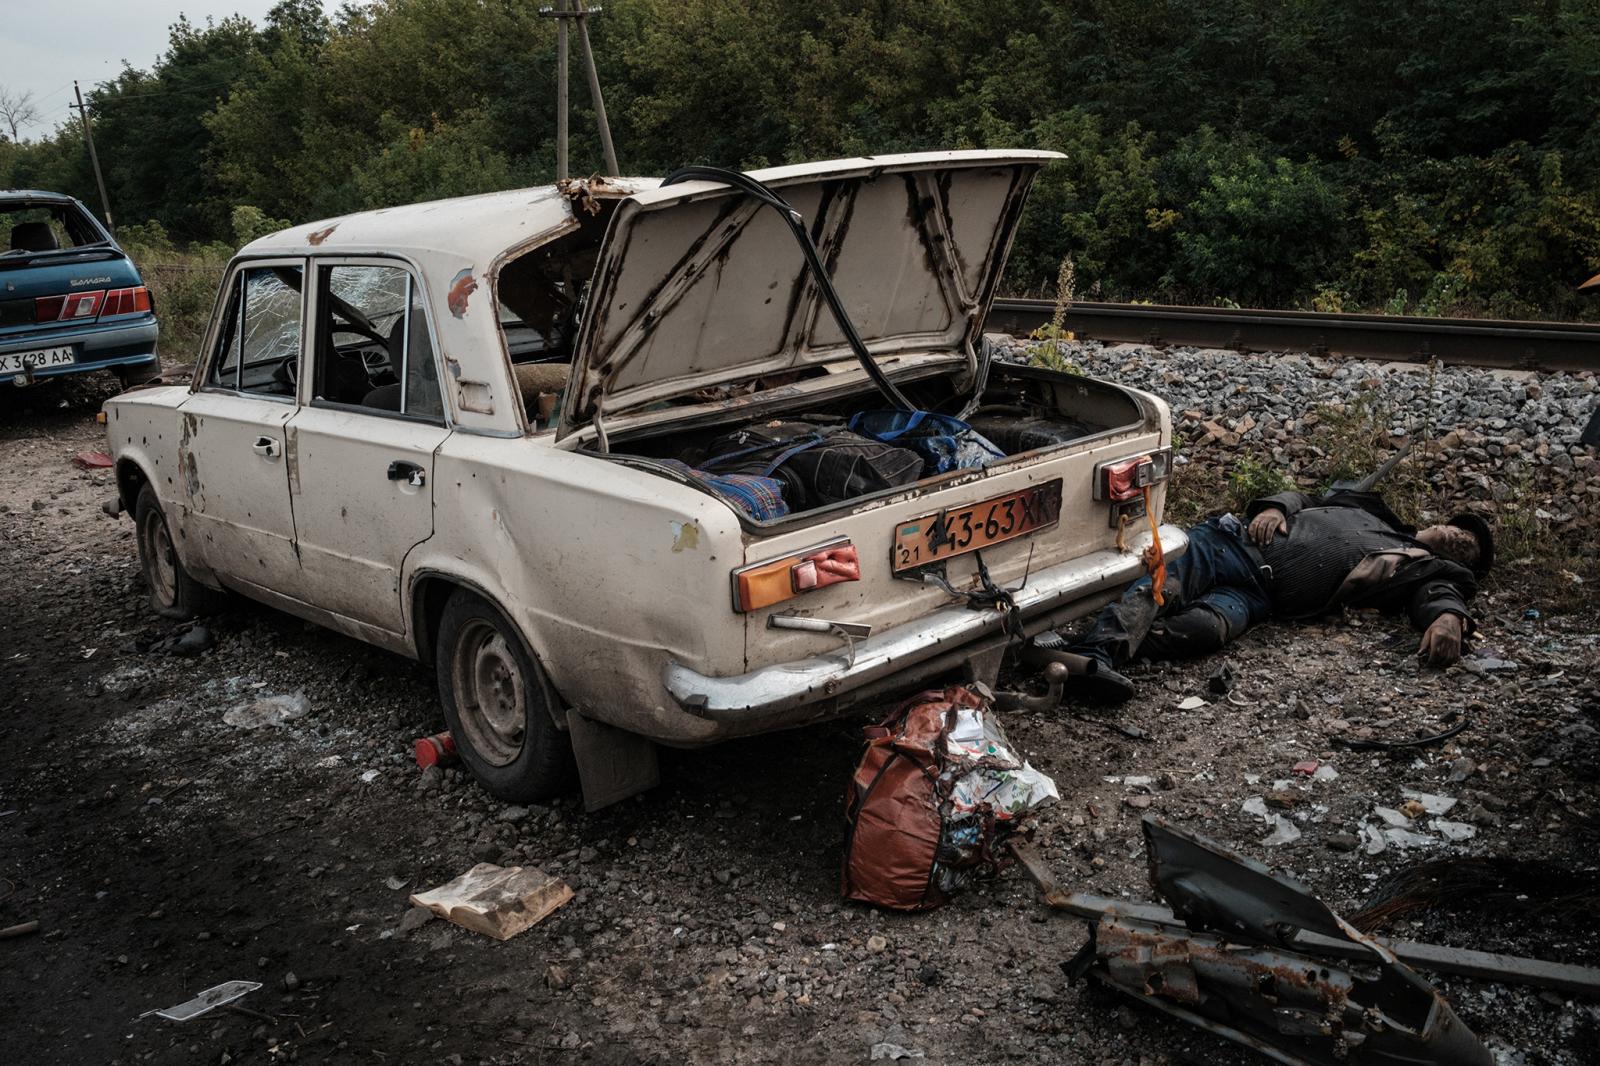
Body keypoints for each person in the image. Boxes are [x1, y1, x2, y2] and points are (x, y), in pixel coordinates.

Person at [1051, 488, 1494, 704]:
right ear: (1442, 520)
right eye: (1460, 530)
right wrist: (1274, 507)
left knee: (1202, 630)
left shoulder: (1419, 567)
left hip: (1258, 594)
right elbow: (1302, 494)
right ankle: (1096, 654)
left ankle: (1079, 656)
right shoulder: (1370, 509)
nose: (1458, 538)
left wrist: (1449, 616)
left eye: (1465, 548)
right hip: (1230, 544)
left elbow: (1440, 592)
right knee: (1164, 585)